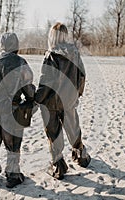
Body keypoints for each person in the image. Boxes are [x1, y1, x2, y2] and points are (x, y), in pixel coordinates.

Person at [35, 22, 91, 180]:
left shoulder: (51, 55)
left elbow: (46, 83)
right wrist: (77, 95)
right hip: (69, 100)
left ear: (52, 37)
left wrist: (37, 98)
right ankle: (82, 156)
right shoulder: (75, 53)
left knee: (54, 134)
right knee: (73, 129)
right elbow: (82, 75)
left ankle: (58, 167)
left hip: (52, 103)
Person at [0, 33, 35, 188]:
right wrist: (31, 100)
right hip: (12, 111)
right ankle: (12, 176)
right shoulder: (21, 62)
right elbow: (28, 88)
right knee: (13, 146)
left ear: (1, 45)